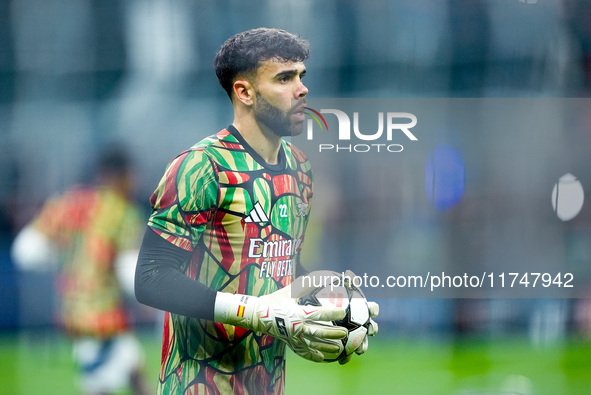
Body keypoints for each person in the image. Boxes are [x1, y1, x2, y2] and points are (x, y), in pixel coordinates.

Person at [134, 27, 378, 394]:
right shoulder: (201, 166)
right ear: (244, 92)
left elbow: (273, 267)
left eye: (301, 76)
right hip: (199, 383)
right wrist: (257, 313)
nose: (302, 89)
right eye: (284, 78)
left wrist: (329, 303)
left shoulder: (300, 170)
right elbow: (150, 278)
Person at [11, 144, 150, 395]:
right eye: (131, 175)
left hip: (74, 311)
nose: (135, 182)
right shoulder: (120, 211)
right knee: (100, 385)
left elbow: (25, 252)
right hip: (101, 317)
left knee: (133, 368)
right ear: (117, 175)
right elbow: (130, 275)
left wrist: (64, 258)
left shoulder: (66, 204)